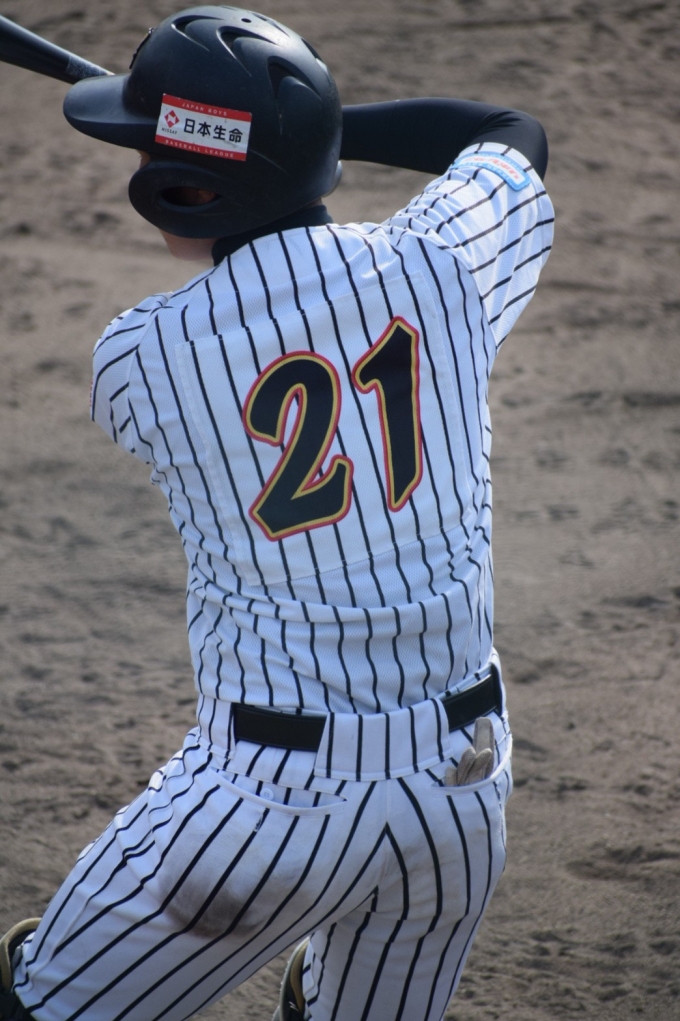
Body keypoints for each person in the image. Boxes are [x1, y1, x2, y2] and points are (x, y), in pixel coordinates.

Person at [0, 6, 554, 1021]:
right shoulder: (442, 264)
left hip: (260, 812)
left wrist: (255, 136)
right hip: (463, 792)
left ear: (180, 186)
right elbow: (506, 130)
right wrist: (301, 131)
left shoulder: (141, 357)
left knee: (37, 1000)